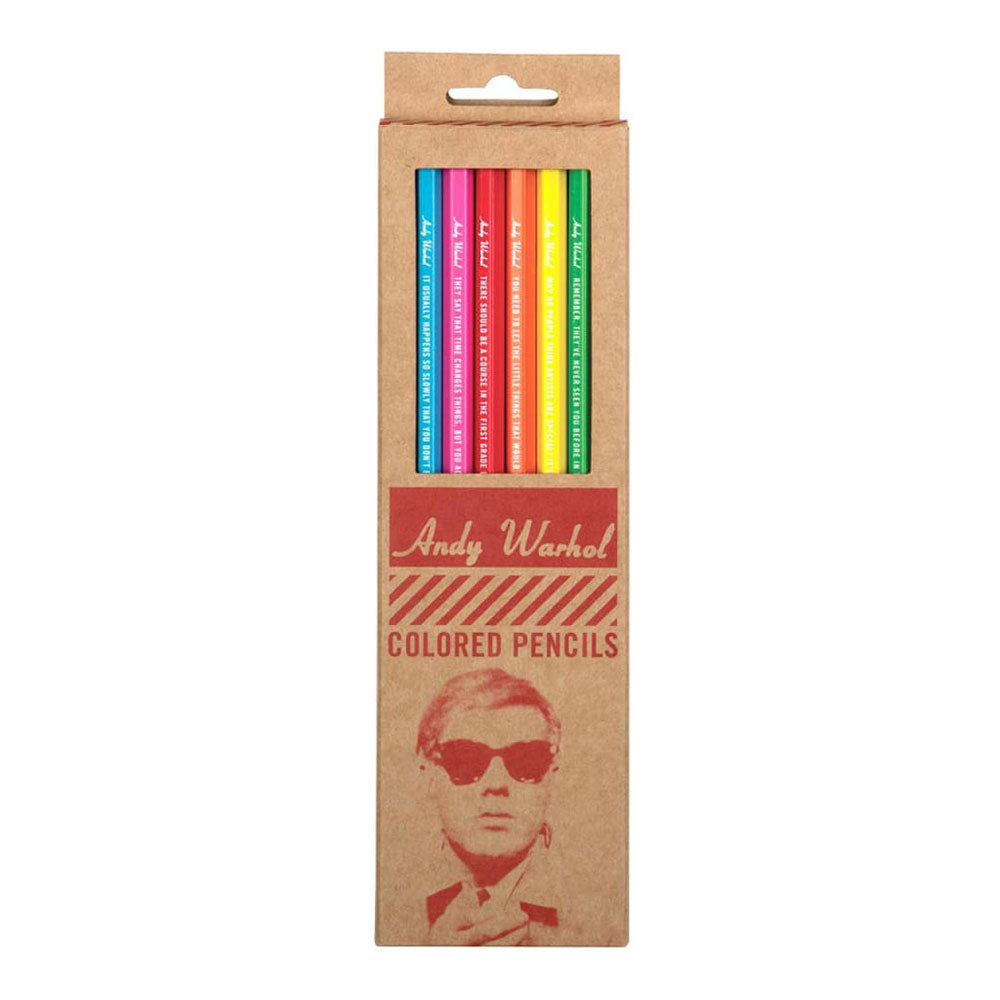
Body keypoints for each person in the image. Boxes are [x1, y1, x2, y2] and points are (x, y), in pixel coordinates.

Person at [416, 668, 561, 945]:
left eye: (526, 759)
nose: (496, 784)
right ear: (429, 774)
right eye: (466, 759)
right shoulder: (388, 899)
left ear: (551, 777)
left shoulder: (606, 909)